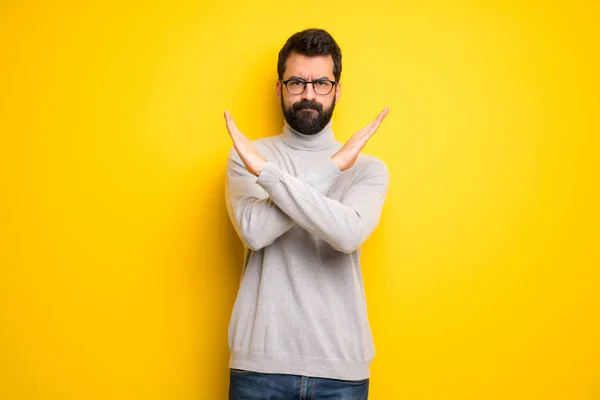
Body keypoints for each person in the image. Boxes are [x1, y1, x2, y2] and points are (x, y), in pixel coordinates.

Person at [224, 28, 389, 400]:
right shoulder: (246, 156)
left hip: (341, 369)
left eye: (321, 83)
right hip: (259, 367)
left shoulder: (367, 168)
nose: (309, 94)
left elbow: (347, 235)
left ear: (338, 89)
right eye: (297, 82)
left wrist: (270, 177)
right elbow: (255, 231)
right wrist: (332, 168)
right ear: (280, 88)